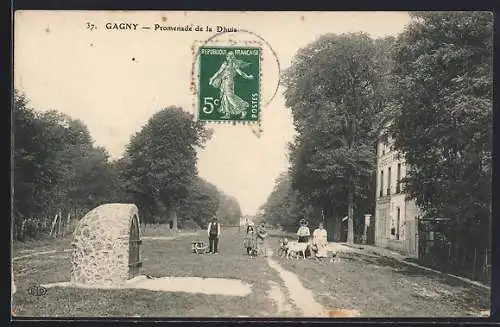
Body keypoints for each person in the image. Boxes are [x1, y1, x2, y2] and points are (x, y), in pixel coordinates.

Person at [208, 51, 254, 119]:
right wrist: (212, 79)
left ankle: (242, 110)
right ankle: (227, 114)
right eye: (228, 56)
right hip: (224, 82)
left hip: (229, 82)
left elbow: (240, 73)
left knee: (230, 97)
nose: (228, 57)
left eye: (230, 56)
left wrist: (247, 77)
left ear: (232, 57)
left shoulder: (234, 65)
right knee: (225, 97)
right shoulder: (225, 64)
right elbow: (218, 72)